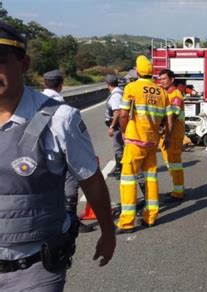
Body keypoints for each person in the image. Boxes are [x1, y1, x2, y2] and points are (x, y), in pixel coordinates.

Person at [0, 21, 115, 291]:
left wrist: (108, 233)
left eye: (1, 61)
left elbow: (91, 180)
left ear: (25, 64)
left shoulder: (59, 118)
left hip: (34, 269)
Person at [117, 55, 174, 233]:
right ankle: (150, 217)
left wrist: (124, 132)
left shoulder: (131, 87)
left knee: (128, 179)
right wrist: (168, 136)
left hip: (135, 140)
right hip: (152, 141)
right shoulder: (162, 92)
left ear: (137, 70)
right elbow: (168, 118)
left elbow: (124, 114)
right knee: (151, 178)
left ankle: (127, 222)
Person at [43, 69, 95, 234]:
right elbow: (78, 148)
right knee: (71, 180)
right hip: (60, 155)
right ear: (61, 85)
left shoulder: (30, 104)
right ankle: (71, 219)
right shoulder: (65, 110)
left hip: (36, 158)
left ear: (44, 83)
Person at [158, 69, 186, 203]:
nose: (161, 81)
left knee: (174, 164)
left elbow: (173, 116)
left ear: (172, 79)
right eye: (160, 79)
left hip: (173, 134)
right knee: (171, 163)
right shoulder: (166, 94)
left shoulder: (175, 95)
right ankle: (177, 187)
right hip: (168, 133)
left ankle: (178, 192)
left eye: (164, 78)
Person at [104, 74, 124, 179]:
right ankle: (120, 168)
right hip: (118, 125)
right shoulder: (118, 92)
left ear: (108, 84)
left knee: (118, 147)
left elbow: (117, 112)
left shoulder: (116, 95)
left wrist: (112, 126)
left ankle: (119, 170)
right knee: (119, 146)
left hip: (117, 125)